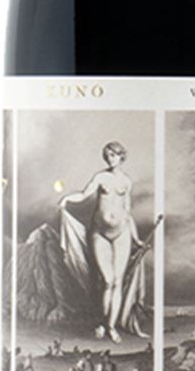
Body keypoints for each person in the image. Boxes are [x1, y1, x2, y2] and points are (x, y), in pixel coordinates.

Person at [61, 141, 144, 344]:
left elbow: (128, 213)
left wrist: (136, 238)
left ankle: (111, 326)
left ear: (121, 156)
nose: (109, 159)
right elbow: (84, 194)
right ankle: (101, 322)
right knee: (107, 281)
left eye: (113, 155)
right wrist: (66, 200)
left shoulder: (127, 182)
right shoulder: (100, 177)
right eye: (107, 156)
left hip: (122, 233)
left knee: (117, 282)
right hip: (100, 233)